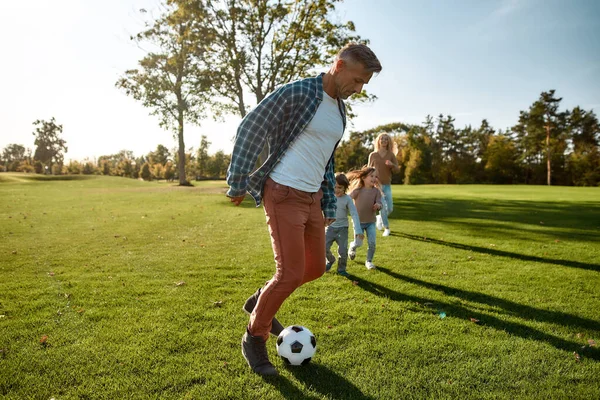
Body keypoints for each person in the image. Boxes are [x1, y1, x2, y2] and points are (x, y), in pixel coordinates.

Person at [226, 43, 382, 375]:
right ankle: (254, 338)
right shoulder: (299, 92)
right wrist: (237, 178)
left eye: (364, 85)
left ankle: (260, 300)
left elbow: (327, 160)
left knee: (314, 268)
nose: (358, 89)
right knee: (290, 274)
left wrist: (326, 200)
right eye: (356, 80)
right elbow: (251, 126)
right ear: (338, 65)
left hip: (312, 197)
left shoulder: (340, 109)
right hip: (282, 192)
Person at [325, 173, 363, 277]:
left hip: (342, 229)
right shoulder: (329, 197)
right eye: (335, 187)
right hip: (330, 228)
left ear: (345, 188)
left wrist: (358, 230)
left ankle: (341, 269)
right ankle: (330, 259)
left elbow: (354, 214)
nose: (337, 190)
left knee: (343, 251)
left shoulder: (347, 199)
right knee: (323, 248)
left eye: (340, 187)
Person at [347, 167, 382, 270]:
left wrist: (378, 205)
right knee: (358, 243)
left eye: (375, 176)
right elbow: (348, 199)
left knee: (372, 243)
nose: (374, 178)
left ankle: (369, 261)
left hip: (371, 222)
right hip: (358, 222)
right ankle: (352, 246)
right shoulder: (357, 190)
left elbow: (380, 203)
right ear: (363, 177)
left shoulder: (376, 191)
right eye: (371, 176)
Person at [368, 133, 399, 237]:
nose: (384, 141)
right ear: (378, 141)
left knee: (390, 208)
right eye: (382, 139)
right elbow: (368, 170)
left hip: (387, 185)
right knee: (383, 207)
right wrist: (371, 180)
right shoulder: (373, 155)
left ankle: (379, 218)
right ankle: (387, 228)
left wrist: (392, 165)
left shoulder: (391, 155)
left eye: (386, 139)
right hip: (377, 186)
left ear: (388, 141)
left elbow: (397, 169)